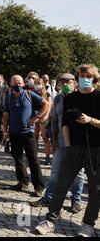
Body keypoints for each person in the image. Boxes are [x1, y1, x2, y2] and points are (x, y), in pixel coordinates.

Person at [35, 64, 100, 237]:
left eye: (87, 77)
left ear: (94, 79)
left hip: (95, 149)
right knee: (61, 184)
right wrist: (69, 146)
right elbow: (65, 124)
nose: (83, 80)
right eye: (80, 76)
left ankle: (88, 225)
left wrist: (90, 120)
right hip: (73, 148)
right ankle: (50, 220)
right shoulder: (70, 98)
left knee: (95, 189)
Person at [31, 73, 84, 213]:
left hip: (78, 142)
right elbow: (54, 121)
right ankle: (48, 197)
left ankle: (75, 200)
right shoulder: (58, 99)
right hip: (60, 140)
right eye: (62, 82)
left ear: (75, 83)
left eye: (68, 81)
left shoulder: (81, 98)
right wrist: (53, 140)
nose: (65, 84)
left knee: (78, 173)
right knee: (55, 171)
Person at [3, 75, 50, 197]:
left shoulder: (29, 94)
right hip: (14, 132)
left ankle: (39, 187)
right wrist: (5, 130)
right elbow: (6, 115)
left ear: (23, 83)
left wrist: (37, 117)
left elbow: (46, 104)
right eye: (15, 82)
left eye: (19, 82)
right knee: (18, 158)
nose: (17, 84)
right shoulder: (8, 97)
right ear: (10, 84)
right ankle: (22, 181)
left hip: (28, 132)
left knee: (33, 159)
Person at [33, 78, 53, 165]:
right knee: (34, 137)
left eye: (39, 83)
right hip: (34, 117)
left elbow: (49, 106)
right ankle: (34, 155)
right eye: (36, 83)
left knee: (45, 138)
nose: (37, 85)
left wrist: (45, 117)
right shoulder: (33, 93)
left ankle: (47, 157)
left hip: (43, 118)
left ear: (42, 84)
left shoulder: (47, 93)